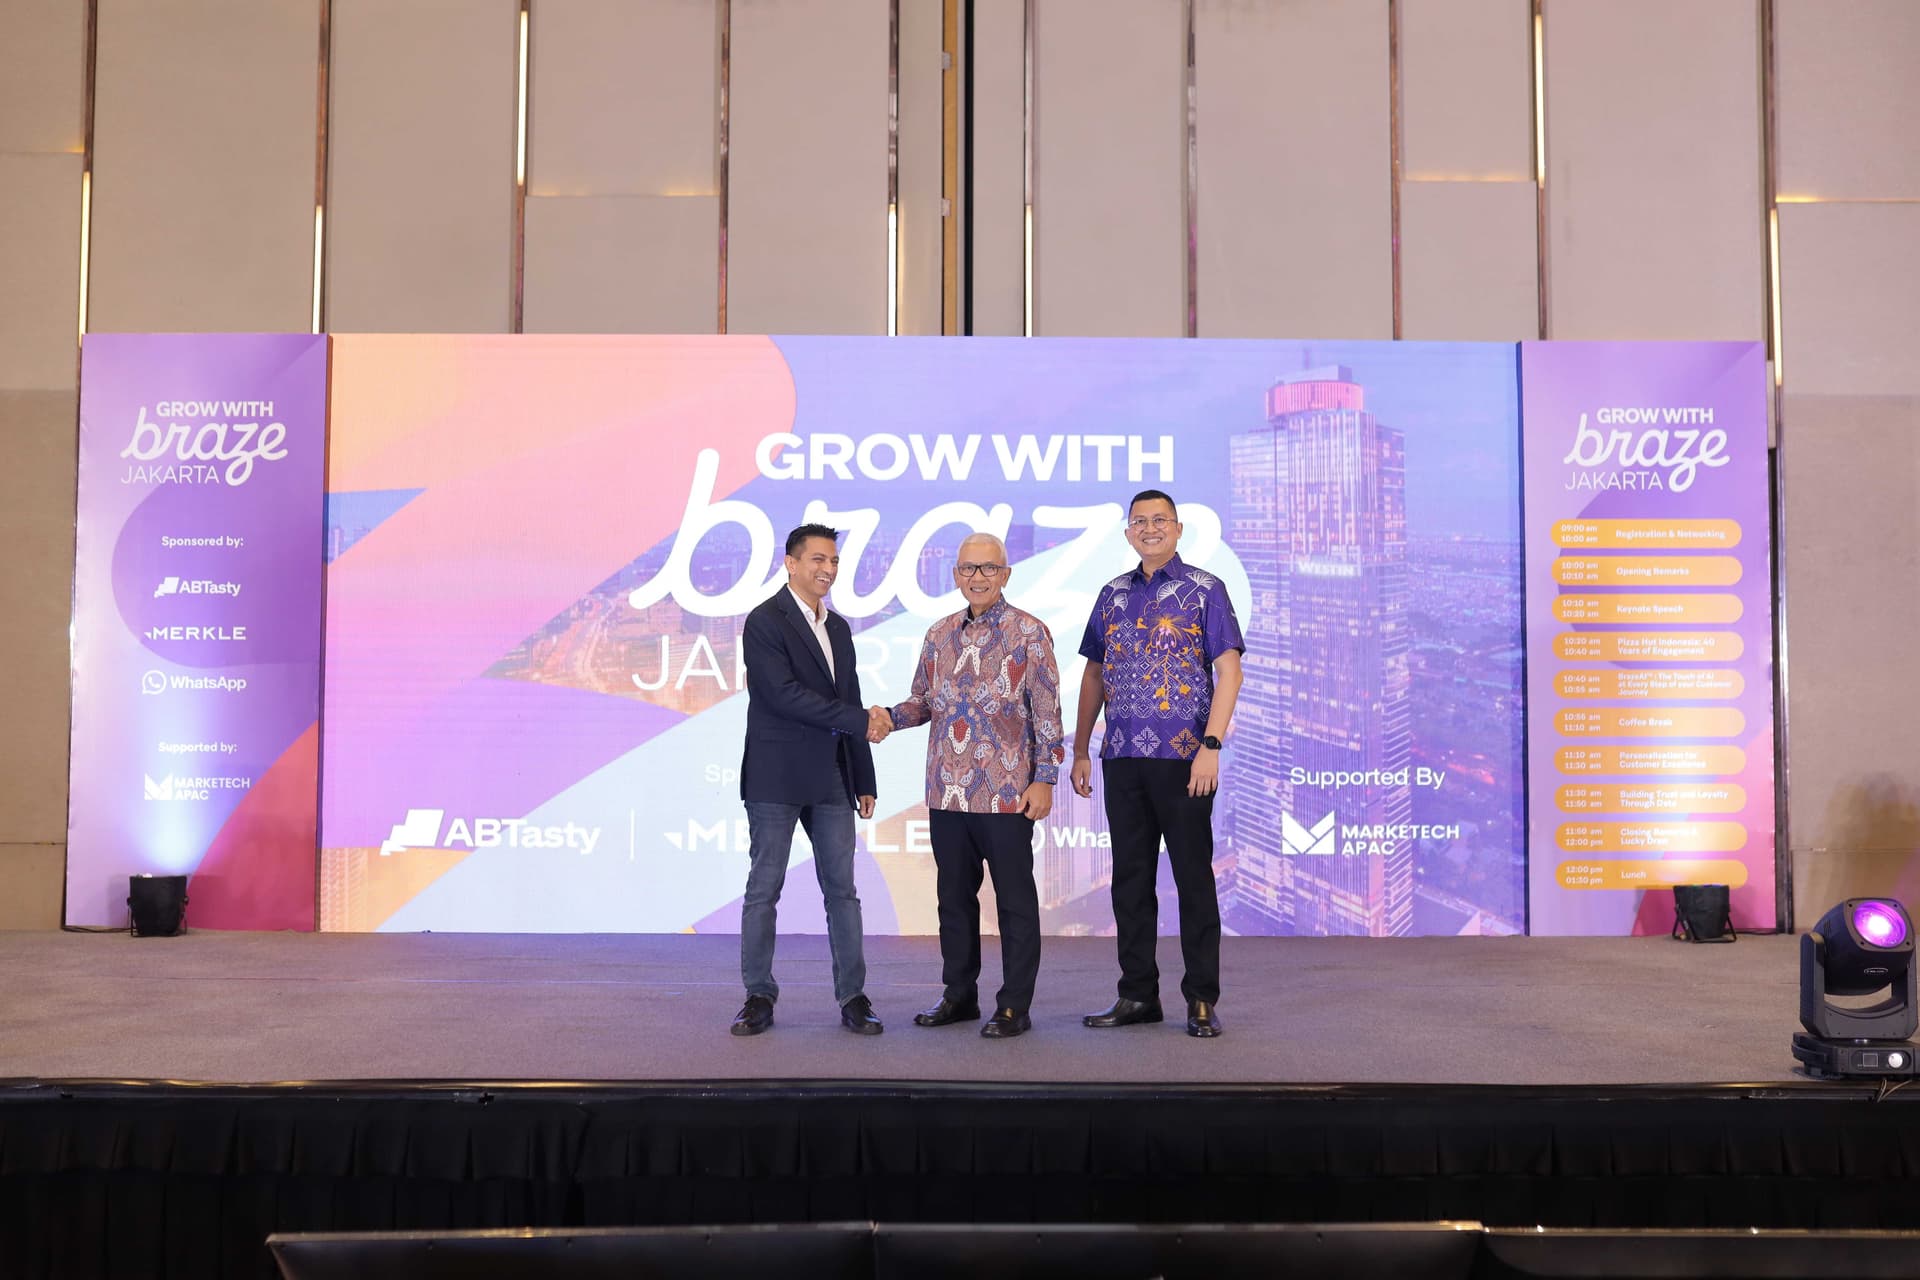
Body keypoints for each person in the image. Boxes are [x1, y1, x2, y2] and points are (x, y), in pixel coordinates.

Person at [869, 532, 1063, 1038]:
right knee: (953, 900)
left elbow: (1047, 716)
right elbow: (923, 701)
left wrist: (1044, 780)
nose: (977, 578)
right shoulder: (938, 634)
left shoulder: (1030, 633)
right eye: (968, 569)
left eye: (988, 569)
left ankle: (1013, 1006)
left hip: (1006, 794)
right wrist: (888, 717)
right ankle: (959, 996)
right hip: (946, 792)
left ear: (1006, 574)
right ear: (955, 575)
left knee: (1015, 903)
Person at [1071, 490, 1243, 1038]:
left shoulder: (1205, 589)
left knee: (1193, 879)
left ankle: (1201, 1000)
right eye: (1139, 522)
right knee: (1130, 881)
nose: (1149, 529)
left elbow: (1229, 671)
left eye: (1159, 521)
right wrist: (1079, 749)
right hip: (1122, 756)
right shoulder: (1112, 594)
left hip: (1185, 759)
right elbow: (1094, 675)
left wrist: (1210, 747)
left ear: (1178, 528)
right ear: (1127, 533)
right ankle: (1137, 995)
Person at [732, 523, 883, 1037]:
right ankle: (758, 996)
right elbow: (780, 695)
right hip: (776, 778)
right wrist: (861, 721)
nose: (828, 569)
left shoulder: (838, 628)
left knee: (843, 892)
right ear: (791, 564)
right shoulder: (764, 621)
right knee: (763, 891)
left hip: (833, 780)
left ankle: (854, 998)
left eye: (834, 561)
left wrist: (864, 775)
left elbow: (850, 699)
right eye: (818, 559)